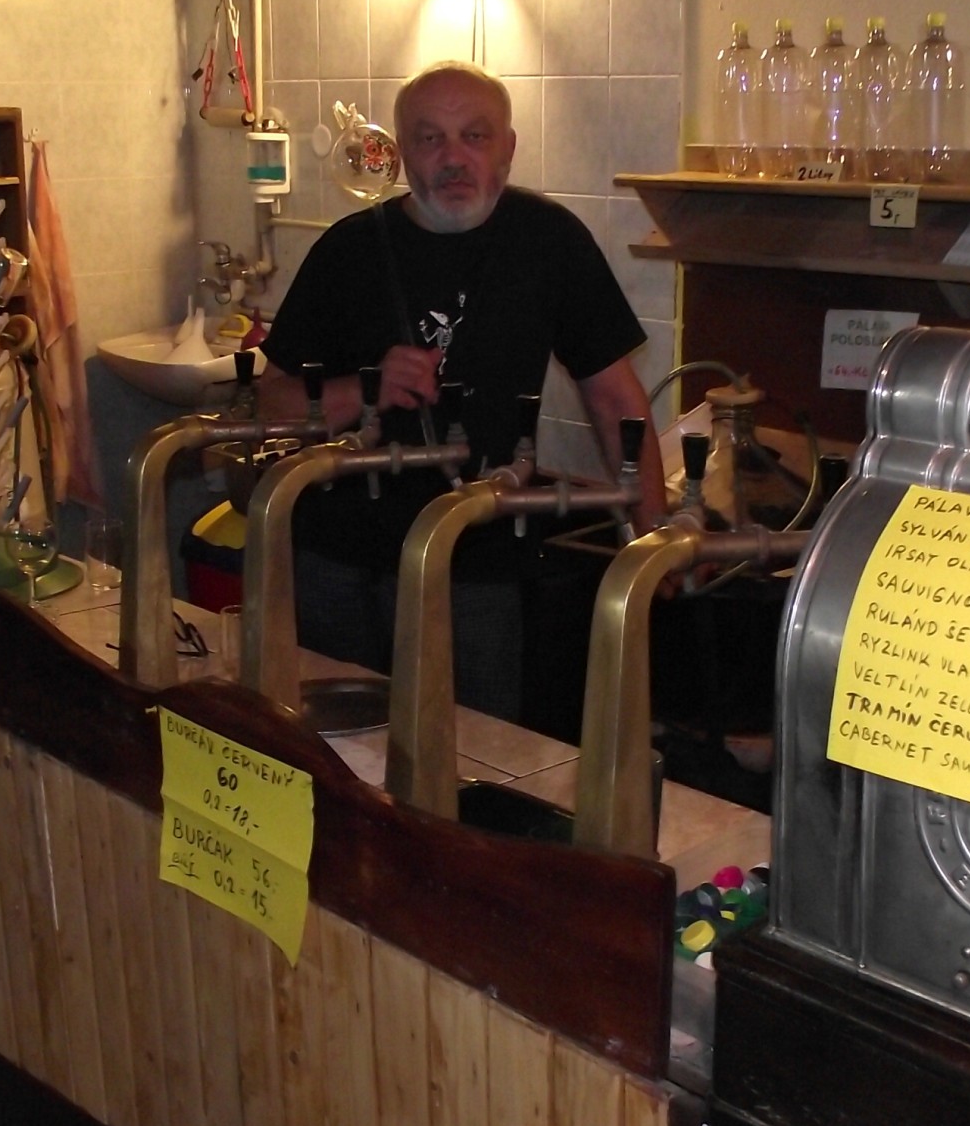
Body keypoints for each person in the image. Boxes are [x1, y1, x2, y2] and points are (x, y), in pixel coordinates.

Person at [256, 61, 666, 721]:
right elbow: (270, 400)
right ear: (401, 151)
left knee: (477, 751)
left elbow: (615, 401)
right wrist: (363, 392)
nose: (453, 158)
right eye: (430, 139)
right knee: (336, 750)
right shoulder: (349, 250)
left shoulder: (550, 242)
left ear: (507, 147)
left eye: (474, 136)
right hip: (340, 557)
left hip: (478, 561)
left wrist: (654, 544)